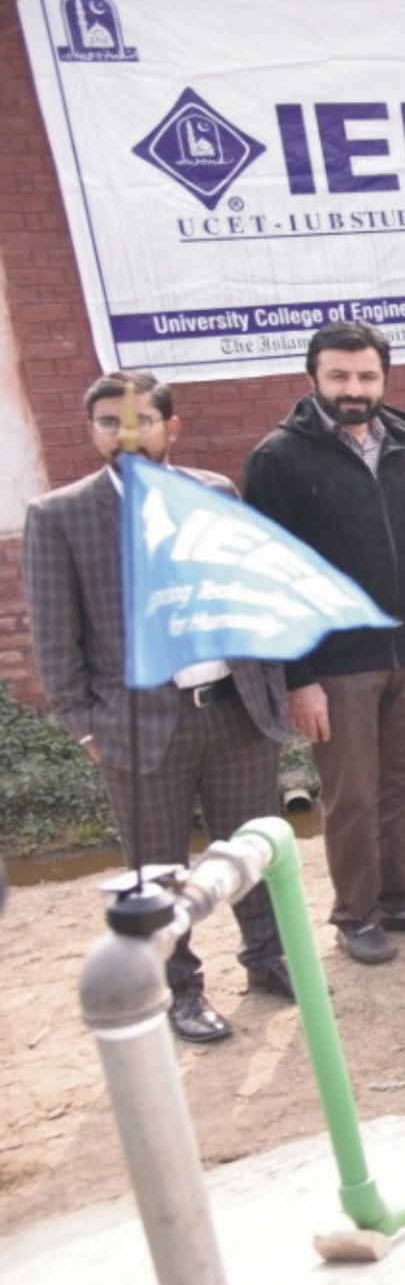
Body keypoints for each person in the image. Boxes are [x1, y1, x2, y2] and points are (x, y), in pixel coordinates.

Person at [24, 373, 293, 1041]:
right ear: (93, 432)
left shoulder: (217, 494)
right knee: (158, 870)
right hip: (138, 729)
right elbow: (55, 637)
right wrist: (86, 729)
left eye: (142, 420)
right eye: (110, 423)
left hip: (234, 713)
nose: (127, 435)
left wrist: (269, 693)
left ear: (172, 428)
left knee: (250, 849)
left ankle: (268, 959)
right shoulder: (59, 517)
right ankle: (181, 990)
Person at [244, 322, 405, 965]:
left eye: (366, 376)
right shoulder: (279, 458)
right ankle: (355, 915)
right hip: (336, 668)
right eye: (340, 375)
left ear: (383, 379)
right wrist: (297, 676)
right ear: (313, 375)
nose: (354, 388)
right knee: (353, 795)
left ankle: (402, 899)